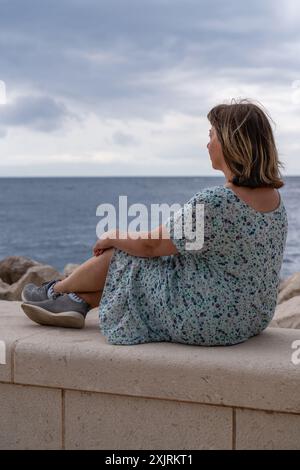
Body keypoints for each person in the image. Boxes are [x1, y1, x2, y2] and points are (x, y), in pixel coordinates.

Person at [21, 98, 288, 346]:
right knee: (156, 263)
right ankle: (78, 301)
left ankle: (55, 291)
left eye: (212, 136)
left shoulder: (217, 202)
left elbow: (150, 246)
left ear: (232, 143)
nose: (207, 145)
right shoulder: (275, 200)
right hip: (251, 317)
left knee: (123, 256)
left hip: (207, 320)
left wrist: (114, 236)